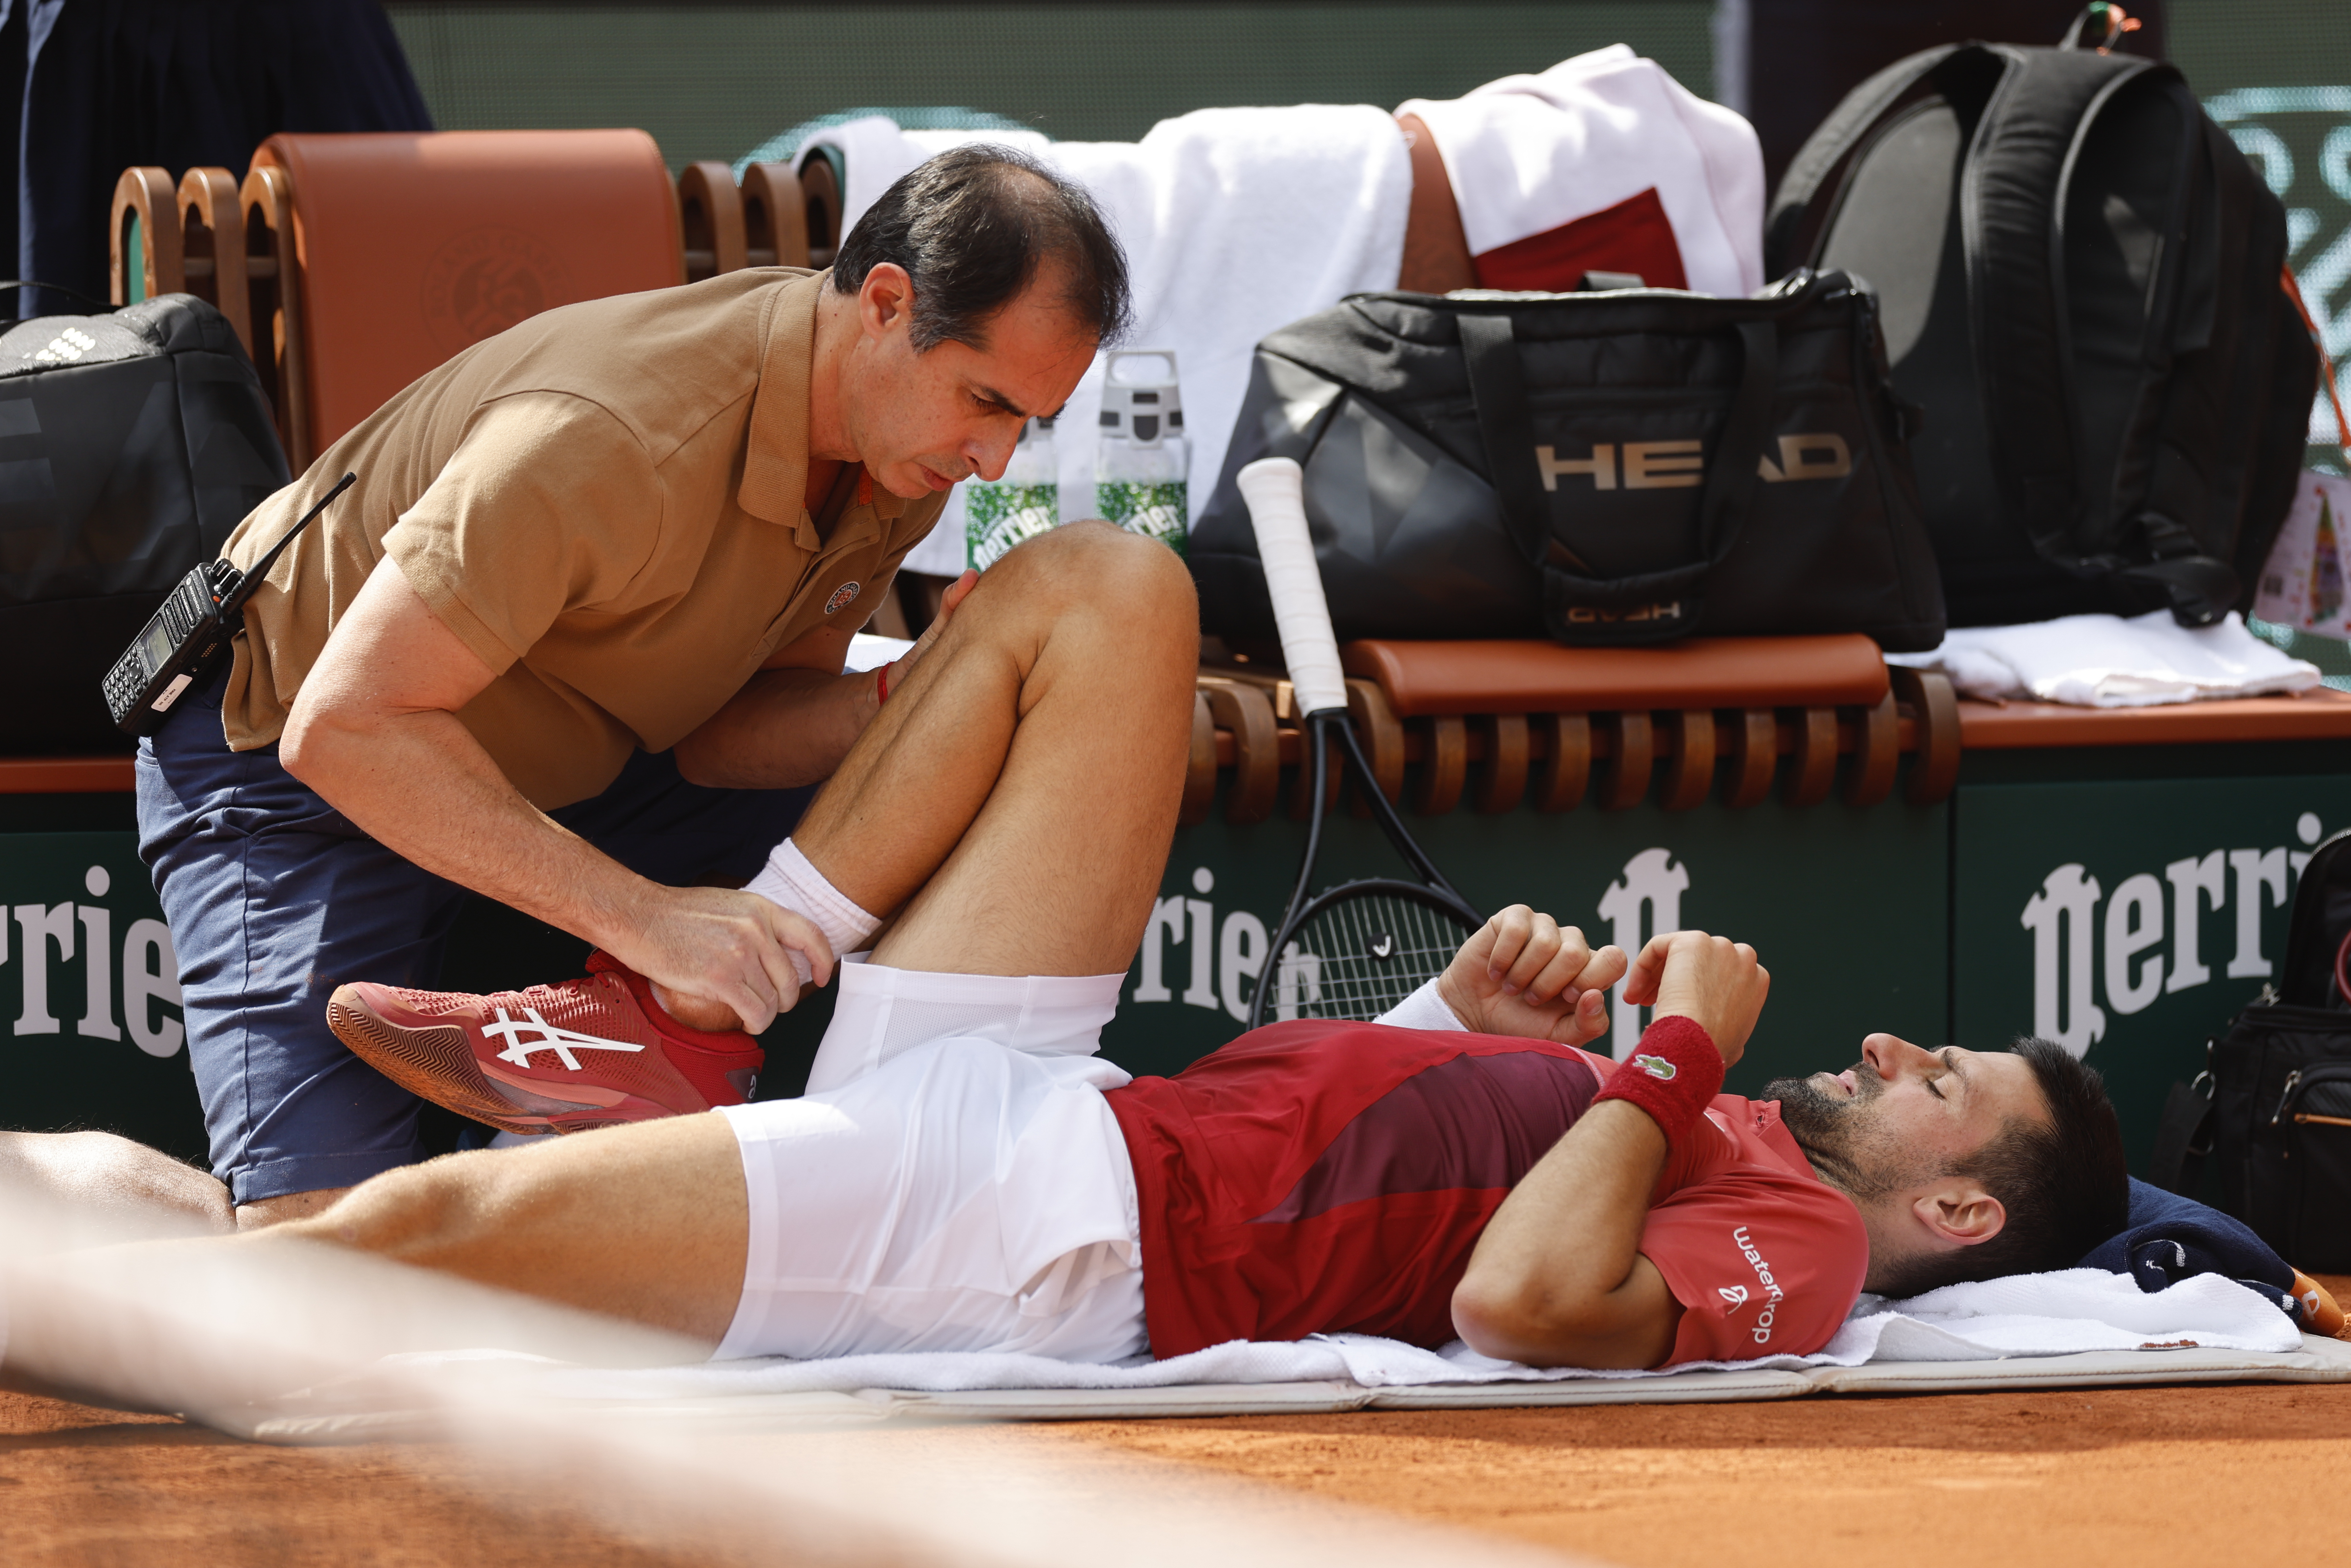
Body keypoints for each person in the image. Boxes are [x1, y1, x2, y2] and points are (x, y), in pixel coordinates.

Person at [8, 523, 2129, 1387]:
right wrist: (1450, 1028)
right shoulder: (1694, 1136)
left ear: (1952, 1204)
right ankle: (681, 1019)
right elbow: (1373, 1151)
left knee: (374, 1242)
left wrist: (1661, 1064)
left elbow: (1514, 1297)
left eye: (1944, 1079)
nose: (1885, 1046)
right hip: (1063, 1091)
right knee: (1105, 588)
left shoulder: (1813, 1252)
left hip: (1031, 1225)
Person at [134, 145, 1130, 1228]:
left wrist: (915, 694)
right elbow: (346, 728)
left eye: (1027, 421)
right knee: (325, 1261)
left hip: (580, 771)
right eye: (986, 401)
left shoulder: (896, 460)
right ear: (887, 305)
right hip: (301, 770)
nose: (995, 458)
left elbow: (725, 741)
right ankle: (46, 1224)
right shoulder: (609, 431)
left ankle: (670, 1079)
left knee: (933, 771)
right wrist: (649, 922)